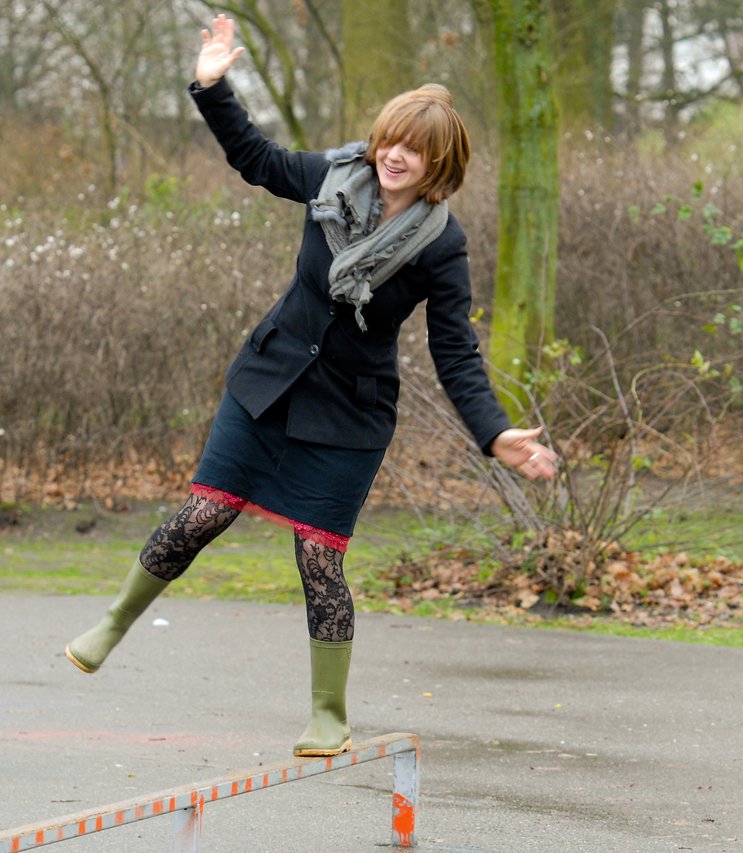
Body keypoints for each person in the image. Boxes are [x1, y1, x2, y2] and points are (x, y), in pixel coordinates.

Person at [65, 14, 559, 758]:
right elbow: (256, 157)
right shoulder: (331, 177)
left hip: (350, 414)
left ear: (440, 165)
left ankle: (328, 711)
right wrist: (211, 85)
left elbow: (455, 348)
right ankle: (113, 621)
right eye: (392, 140)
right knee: (203, 514)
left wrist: (495, 432)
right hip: (267, 382)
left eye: (417, 151)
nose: (397, 156)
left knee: (318, 556)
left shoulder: (441, 243)